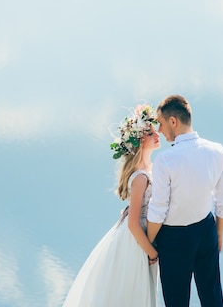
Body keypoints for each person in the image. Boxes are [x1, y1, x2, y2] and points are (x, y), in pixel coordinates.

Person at [62, 104, 161, 307]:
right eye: (150, 133)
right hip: (136, 243)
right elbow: (133, 223)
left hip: (142, 238)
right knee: (132, 292)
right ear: (140, 141)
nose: (157, 134)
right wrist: (152, 252)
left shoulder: (151, 168)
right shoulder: (140, 177)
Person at [147, 95, 223, 307]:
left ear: (173, 121)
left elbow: (158, 210)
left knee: (176, 301)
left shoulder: (164, 160)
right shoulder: (217, 150)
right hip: (206, 231)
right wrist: (218, 234)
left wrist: (148, 243)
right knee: (212, 297)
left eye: (161, 123)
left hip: (173, 239)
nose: (159, 130)